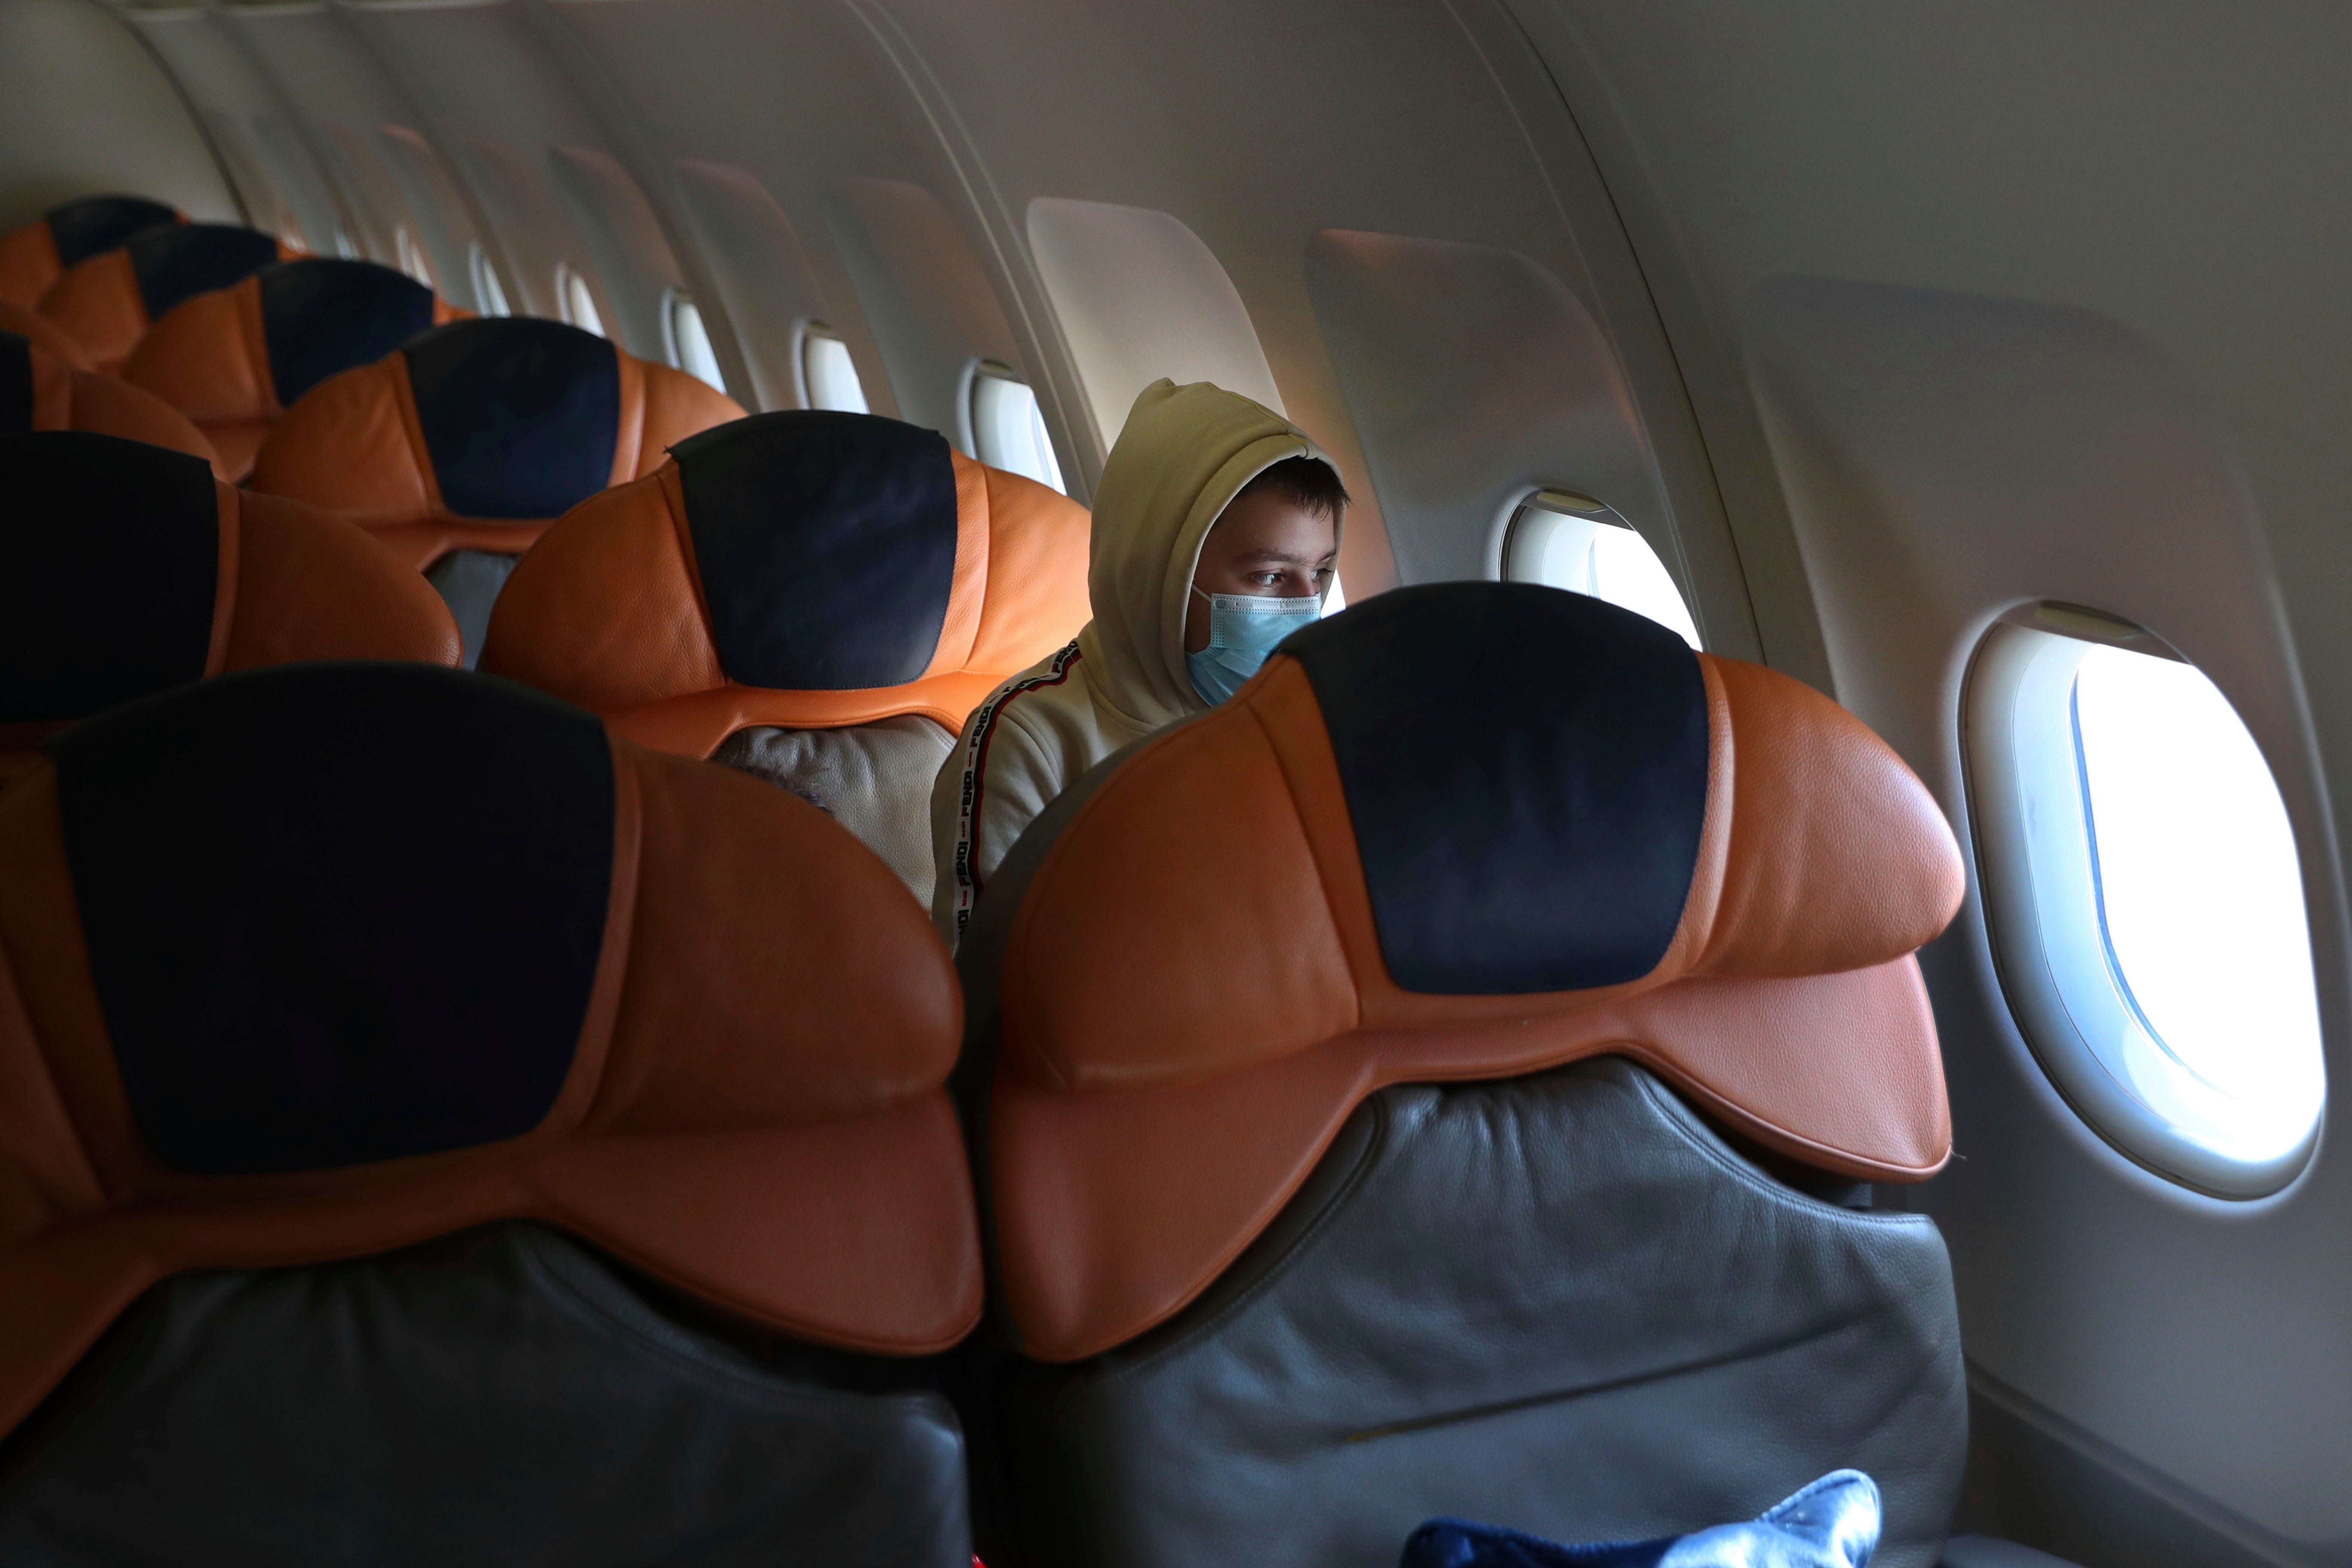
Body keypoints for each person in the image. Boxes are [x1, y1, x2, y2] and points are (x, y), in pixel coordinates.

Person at [931, 377, 1346, 946]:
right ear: (1162, 575)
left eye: (1320, 573)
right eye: (1270, 576)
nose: (1305, 608)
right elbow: (987, 992)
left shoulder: (1315, 720)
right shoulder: (1031, 741)